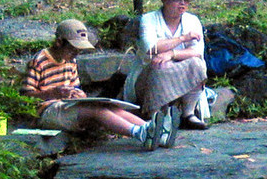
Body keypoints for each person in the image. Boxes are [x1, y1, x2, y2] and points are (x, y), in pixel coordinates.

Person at [21, 19, 178, 150]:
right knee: (96, 110)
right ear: (59, 42)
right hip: (47, 112)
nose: (76, 53)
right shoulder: (39, 61)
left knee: (110, 107)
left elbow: (76, 88)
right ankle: (140, 133)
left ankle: (155, 130)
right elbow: (25, 97)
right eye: (73, 49)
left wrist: (79, 95)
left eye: (79, 50)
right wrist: (52, 93)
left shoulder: (71, 61)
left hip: (67, 106)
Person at [125, 0, 209, 130]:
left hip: (180, 72)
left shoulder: (192, 21)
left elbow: (197, 51)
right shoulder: (148, 19)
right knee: (160, 65)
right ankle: (155, 114)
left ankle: (188, 113)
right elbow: (151, 47)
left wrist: (172, 54)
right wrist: (182, 38)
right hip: (148, 78)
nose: (182, 3)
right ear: (165, 0)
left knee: (197, 64)